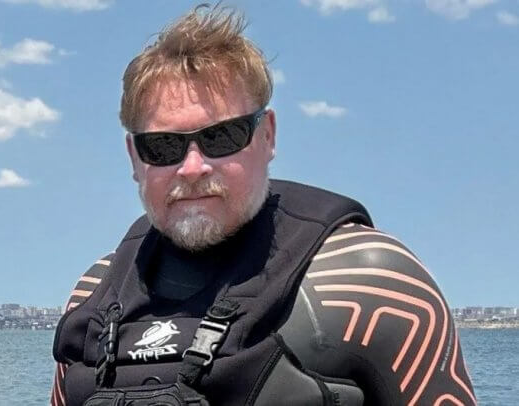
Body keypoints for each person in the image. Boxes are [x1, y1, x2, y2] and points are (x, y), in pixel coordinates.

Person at [51, 4, 476, 405]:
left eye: (222, 137)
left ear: (267, 135)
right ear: (133, 157)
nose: (192, 168)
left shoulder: (370, 281)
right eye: (163, 146)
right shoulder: (94, 296)